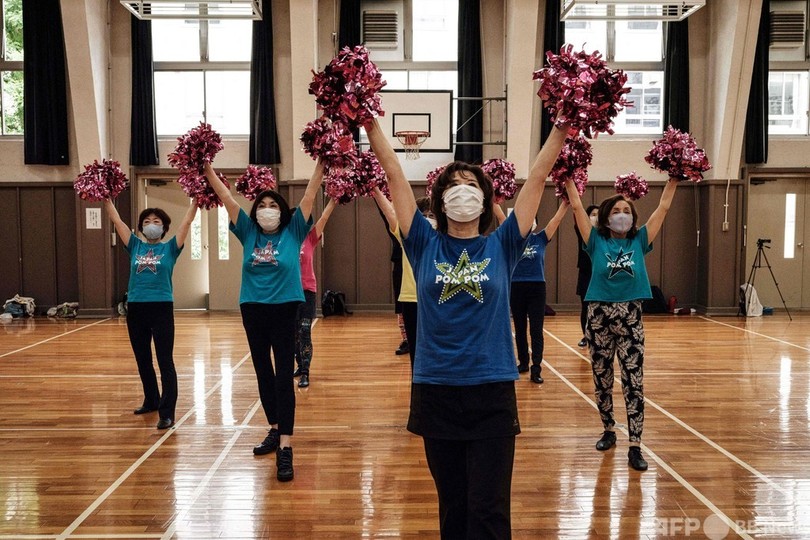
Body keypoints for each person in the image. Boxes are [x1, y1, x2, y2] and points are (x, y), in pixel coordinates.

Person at [366, 115, 568, 538]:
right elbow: (394, 172)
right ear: (440, 201)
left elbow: (537, 176)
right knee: (454, 509)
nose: (463, 191)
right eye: (454, 185)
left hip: (491, 390)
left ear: (485, 198)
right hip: (436, 389)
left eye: (472, 184)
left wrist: (564, 124)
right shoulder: (422, 241)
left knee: (489, 511)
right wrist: (368, 123)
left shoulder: (504, 243)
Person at [204, 160, 324, 482]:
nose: (267, 210)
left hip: (285, 308)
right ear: (255, 211)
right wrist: (207, 169)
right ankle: (274, 427)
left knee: (283, 375)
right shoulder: (248, 231)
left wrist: (321, 164)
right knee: (262, 372)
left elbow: (310, 194)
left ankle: (286, 446)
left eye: (273, 205)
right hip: (253, 308)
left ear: (282, 211)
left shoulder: (294, 231)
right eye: (262, 205)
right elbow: (226, 198)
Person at [566, 178, 679, 472]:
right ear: (606, 217)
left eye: (626, 211)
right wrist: (568, 178)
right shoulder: (595, 241)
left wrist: (674, 179)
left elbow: (663, 208)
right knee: (602, 378)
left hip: (630, 316)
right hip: (598, 316)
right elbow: (576, 206)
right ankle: (608, 429)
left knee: (633, 382)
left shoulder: (639, 241)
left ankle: (635, 445)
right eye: (616, 211)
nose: (621, 215)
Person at [104, 198, 198, 430]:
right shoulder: (135, 246)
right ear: (141, 228)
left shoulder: (170, 248)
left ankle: (167, 412)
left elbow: (186, 223)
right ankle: (151, 400)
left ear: (164, 227)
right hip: (136, 308)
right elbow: (117, 221)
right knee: (143, 359)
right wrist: (106, 199)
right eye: (146, 222)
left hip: (161, 308)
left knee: (165, 360)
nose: (151, 225)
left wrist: (196, 201)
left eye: (156, 221)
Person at [372, 189, 435, 368]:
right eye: (423, 216)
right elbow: (390, 213)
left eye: (432, 215)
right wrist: (375, 189)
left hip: (436, 299)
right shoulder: (409, 239)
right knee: (416, 353)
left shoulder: (445, 238)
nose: (428, 219)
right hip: (411, 299)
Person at [510, 201, 568, 384]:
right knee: (520, 328)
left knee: (536, 329)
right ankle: (523, 362)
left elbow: (556, 220)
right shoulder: (513, 239)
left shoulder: (541, 238)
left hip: (537, 287)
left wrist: (565, 203)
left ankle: (536, 368)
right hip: (516, 286)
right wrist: (494, 200)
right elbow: (501, 217)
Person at [294, 198, 337, 388]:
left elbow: (324, 218)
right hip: (287, 293)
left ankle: (305, 371)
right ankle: (299, 364)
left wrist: (334, 200)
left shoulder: (310, 238)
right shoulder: (283, 240)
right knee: (292, 333)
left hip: (307, 291)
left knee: (304, 331)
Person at [575, 205, 600, 347]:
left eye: (598, 214)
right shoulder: (582, 231)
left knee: (599, 307)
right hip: (585, 272)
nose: (595, 217)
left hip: (600, 273)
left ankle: (598, 335)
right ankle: (585, 335)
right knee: (585, 306)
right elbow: (577, 216)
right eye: (593, 214)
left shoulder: (605, 234)